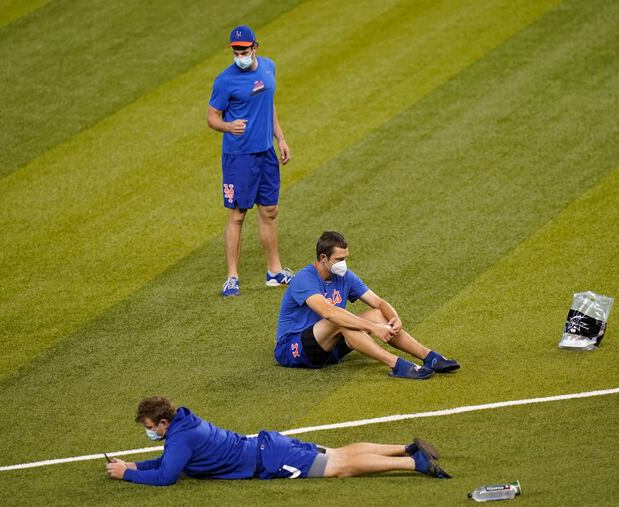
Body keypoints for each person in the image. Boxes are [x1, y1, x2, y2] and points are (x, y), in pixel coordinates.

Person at [106, 396, 450, 485]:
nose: (149, 432)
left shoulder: (180, 437)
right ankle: (406, 448)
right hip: (268, 444)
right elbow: (169, 463)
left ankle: (412, 462)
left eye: (150, 426)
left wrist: (128, 474)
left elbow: (168, 476)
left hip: (270, 460)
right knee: (339, 453)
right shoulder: (184, 425)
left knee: (341, 468)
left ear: (163, 422)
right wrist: (136, 464)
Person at [274, 231, 460, 379]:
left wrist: (394, 318)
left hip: (330, 347)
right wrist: (374, 329)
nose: (344, 264)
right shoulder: (304, 279)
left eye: (346, 258)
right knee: (340, 319)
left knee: (379, 314)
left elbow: (378, 302)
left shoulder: (344, 276)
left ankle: (429, 357)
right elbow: (328, 313)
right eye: (339, 259)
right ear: (323, 258)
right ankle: (396, 364)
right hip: (294, 349)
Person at [207, 25, 293, 297]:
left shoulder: (269, 67)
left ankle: (274, 272)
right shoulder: (224, 81)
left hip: (265, 152)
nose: (239, 54)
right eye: (235, 50)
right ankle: (232, 277)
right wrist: (228, 127)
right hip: (239, 157)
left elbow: (269, 104)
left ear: (255, 47)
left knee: (270, 211)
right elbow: (212, 117)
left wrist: (280, 138)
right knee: (237, 214)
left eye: (243, 50)